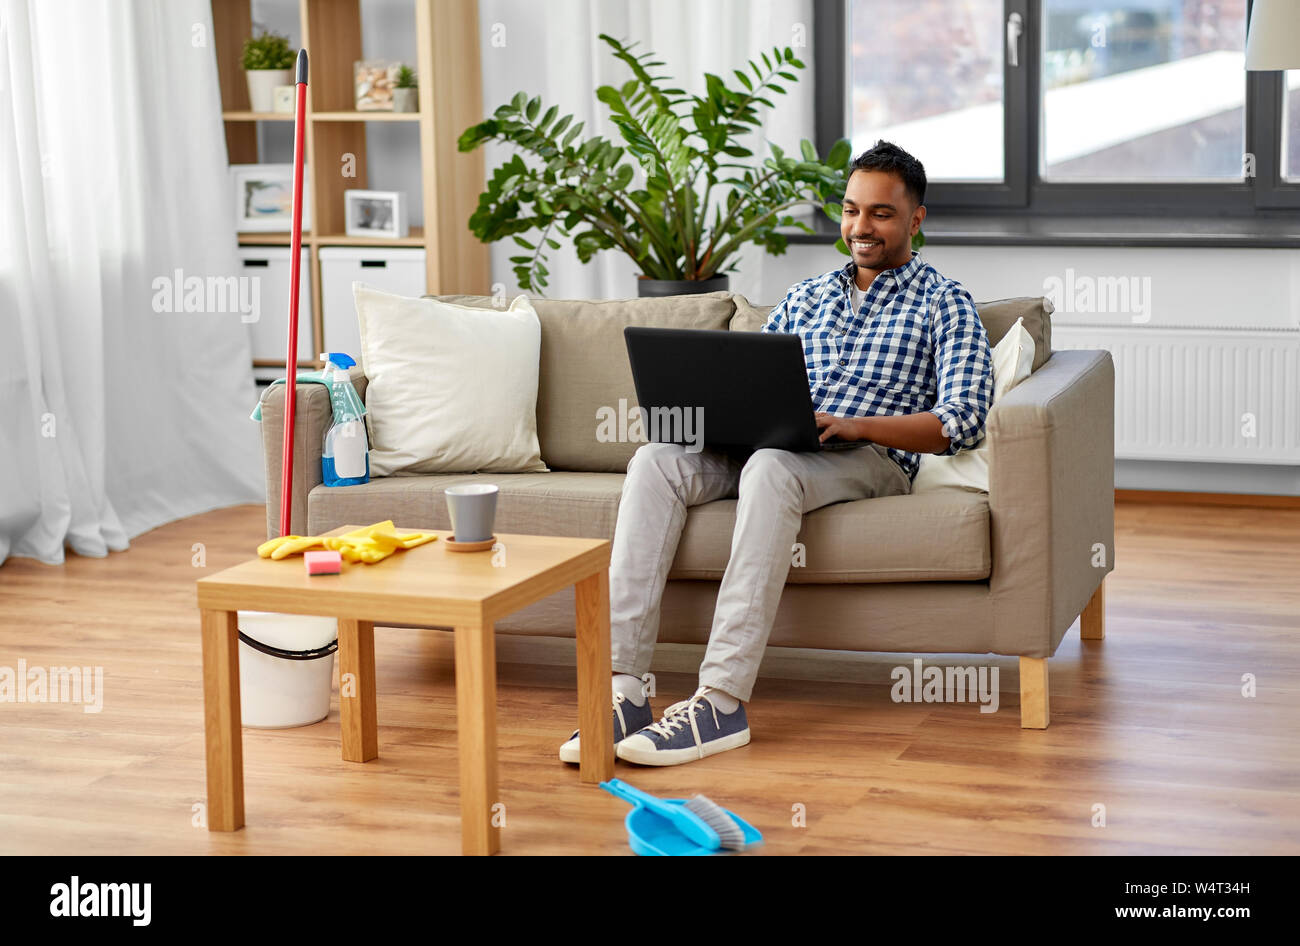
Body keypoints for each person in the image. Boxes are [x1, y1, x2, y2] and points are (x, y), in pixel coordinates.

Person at [559, 140, 994, 767]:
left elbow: (962, 421)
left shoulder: (944, 301)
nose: (860, 228)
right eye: (850, 211)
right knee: (656, 459)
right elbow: (745, 376)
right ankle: (622, 690)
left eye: (880, 213)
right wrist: (721, 416)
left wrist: (851, 423)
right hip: (772, 440)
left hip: (865, 456)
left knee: (771, 468)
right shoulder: (808, 295)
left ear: (916, 219)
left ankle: (721, 702)